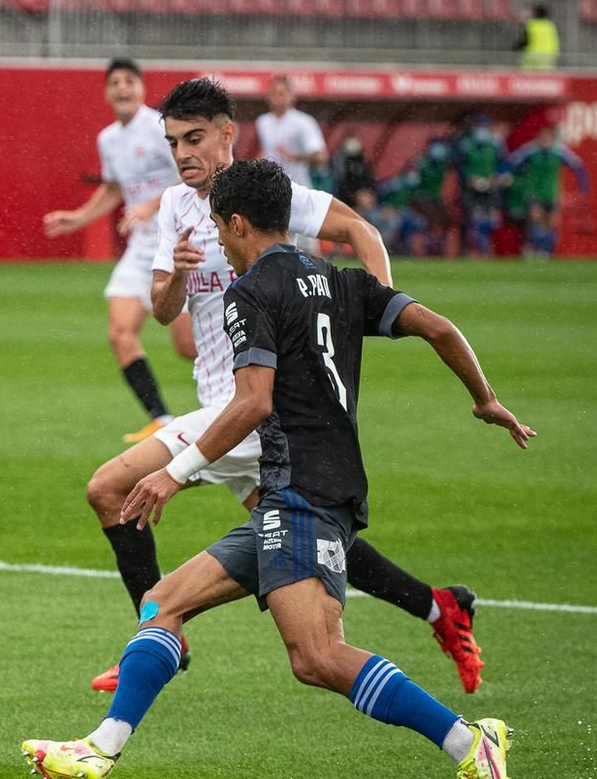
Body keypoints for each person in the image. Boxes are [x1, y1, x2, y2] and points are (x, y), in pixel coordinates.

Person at [26, 159, 536, 779]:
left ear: (238, 223)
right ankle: (101, 747)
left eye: (219, 227)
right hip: (304, 490)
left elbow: (253, 402)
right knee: (162, 602)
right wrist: (485, 399)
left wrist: (174, 472)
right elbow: (439, 327)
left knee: (317, 657)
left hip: (303, 493)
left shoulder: (252, 293)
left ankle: (471, 743)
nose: (218, 240)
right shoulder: (344, 281)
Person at [85, 79, 484, 699]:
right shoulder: (175, 208)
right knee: (301, 539)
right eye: (173, 142)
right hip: (226, 404)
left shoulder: (266, 196)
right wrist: (177, 277)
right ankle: (439, 606)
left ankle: (157, 636)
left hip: (251, 406)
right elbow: (163, 312)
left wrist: (372, 303)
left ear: (228, 134)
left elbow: (360, 230)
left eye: (195, 138)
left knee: (109, 489)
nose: (183, 153)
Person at [44, 58, 195, 443]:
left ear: (142, 88)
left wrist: (151, 206)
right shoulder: (108, 138)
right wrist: (77, 218)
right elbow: (113, 189)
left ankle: (258, 390)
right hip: (141, 248)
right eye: (115, 82)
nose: (122, 88)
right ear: (107, 93)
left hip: (177, 242)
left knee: (188, 346)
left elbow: (190, 176)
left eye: (129, 80)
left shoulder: (161, 127)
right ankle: (161, 419)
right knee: (120, 333)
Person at [254, 75, 327, 251]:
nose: (278, 98)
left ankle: (319, 270)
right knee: (275, 247)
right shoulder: (263, 122)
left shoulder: (303, 122)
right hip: (272, 192)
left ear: (291, 96)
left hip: (298, 190)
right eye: (274, 93)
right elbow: (267, 151)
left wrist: (295, 157)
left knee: (309, 249)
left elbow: (321, 156)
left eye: (282, 93)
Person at [501, 124, 590, 260]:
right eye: (543, 136)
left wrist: (583, 187)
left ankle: (547, 251)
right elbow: (512, 162)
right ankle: (533, 248)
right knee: (536, 219)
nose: (545, 139)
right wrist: (504, 175)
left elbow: (578, 166)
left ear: (552, 137)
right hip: (534, 191)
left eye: (548, 136)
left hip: (552, 192)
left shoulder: (559, 151)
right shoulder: (530, 150)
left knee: (552, 223)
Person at [454, 116, 506, 260]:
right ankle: (470, 250)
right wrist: (468, 178)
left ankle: (485, 250)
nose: (481, 130)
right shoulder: (465, 144)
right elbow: (459, 165)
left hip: (491, 187)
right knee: (473, 219)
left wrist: (496, 177)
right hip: (471, 188)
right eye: (478, 127)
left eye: (484, 127)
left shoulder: (496, 143)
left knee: (490, 220)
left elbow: (503, 164)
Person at [331, 134, 375, 208]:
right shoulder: (339, 161)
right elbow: (341, 182)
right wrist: (355, 196)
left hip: (362, 195)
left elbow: (369, 179)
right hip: (347, 198)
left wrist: (366, 192)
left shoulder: (363, 161)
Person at [514, 3, 561, 70]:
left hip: (531, 57)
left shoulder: (530, 25)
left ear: (536, 13)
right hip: (548, 57)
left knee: (526, 75)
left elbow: (523, 41)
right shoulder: (550, 25)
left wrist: (515, 47)